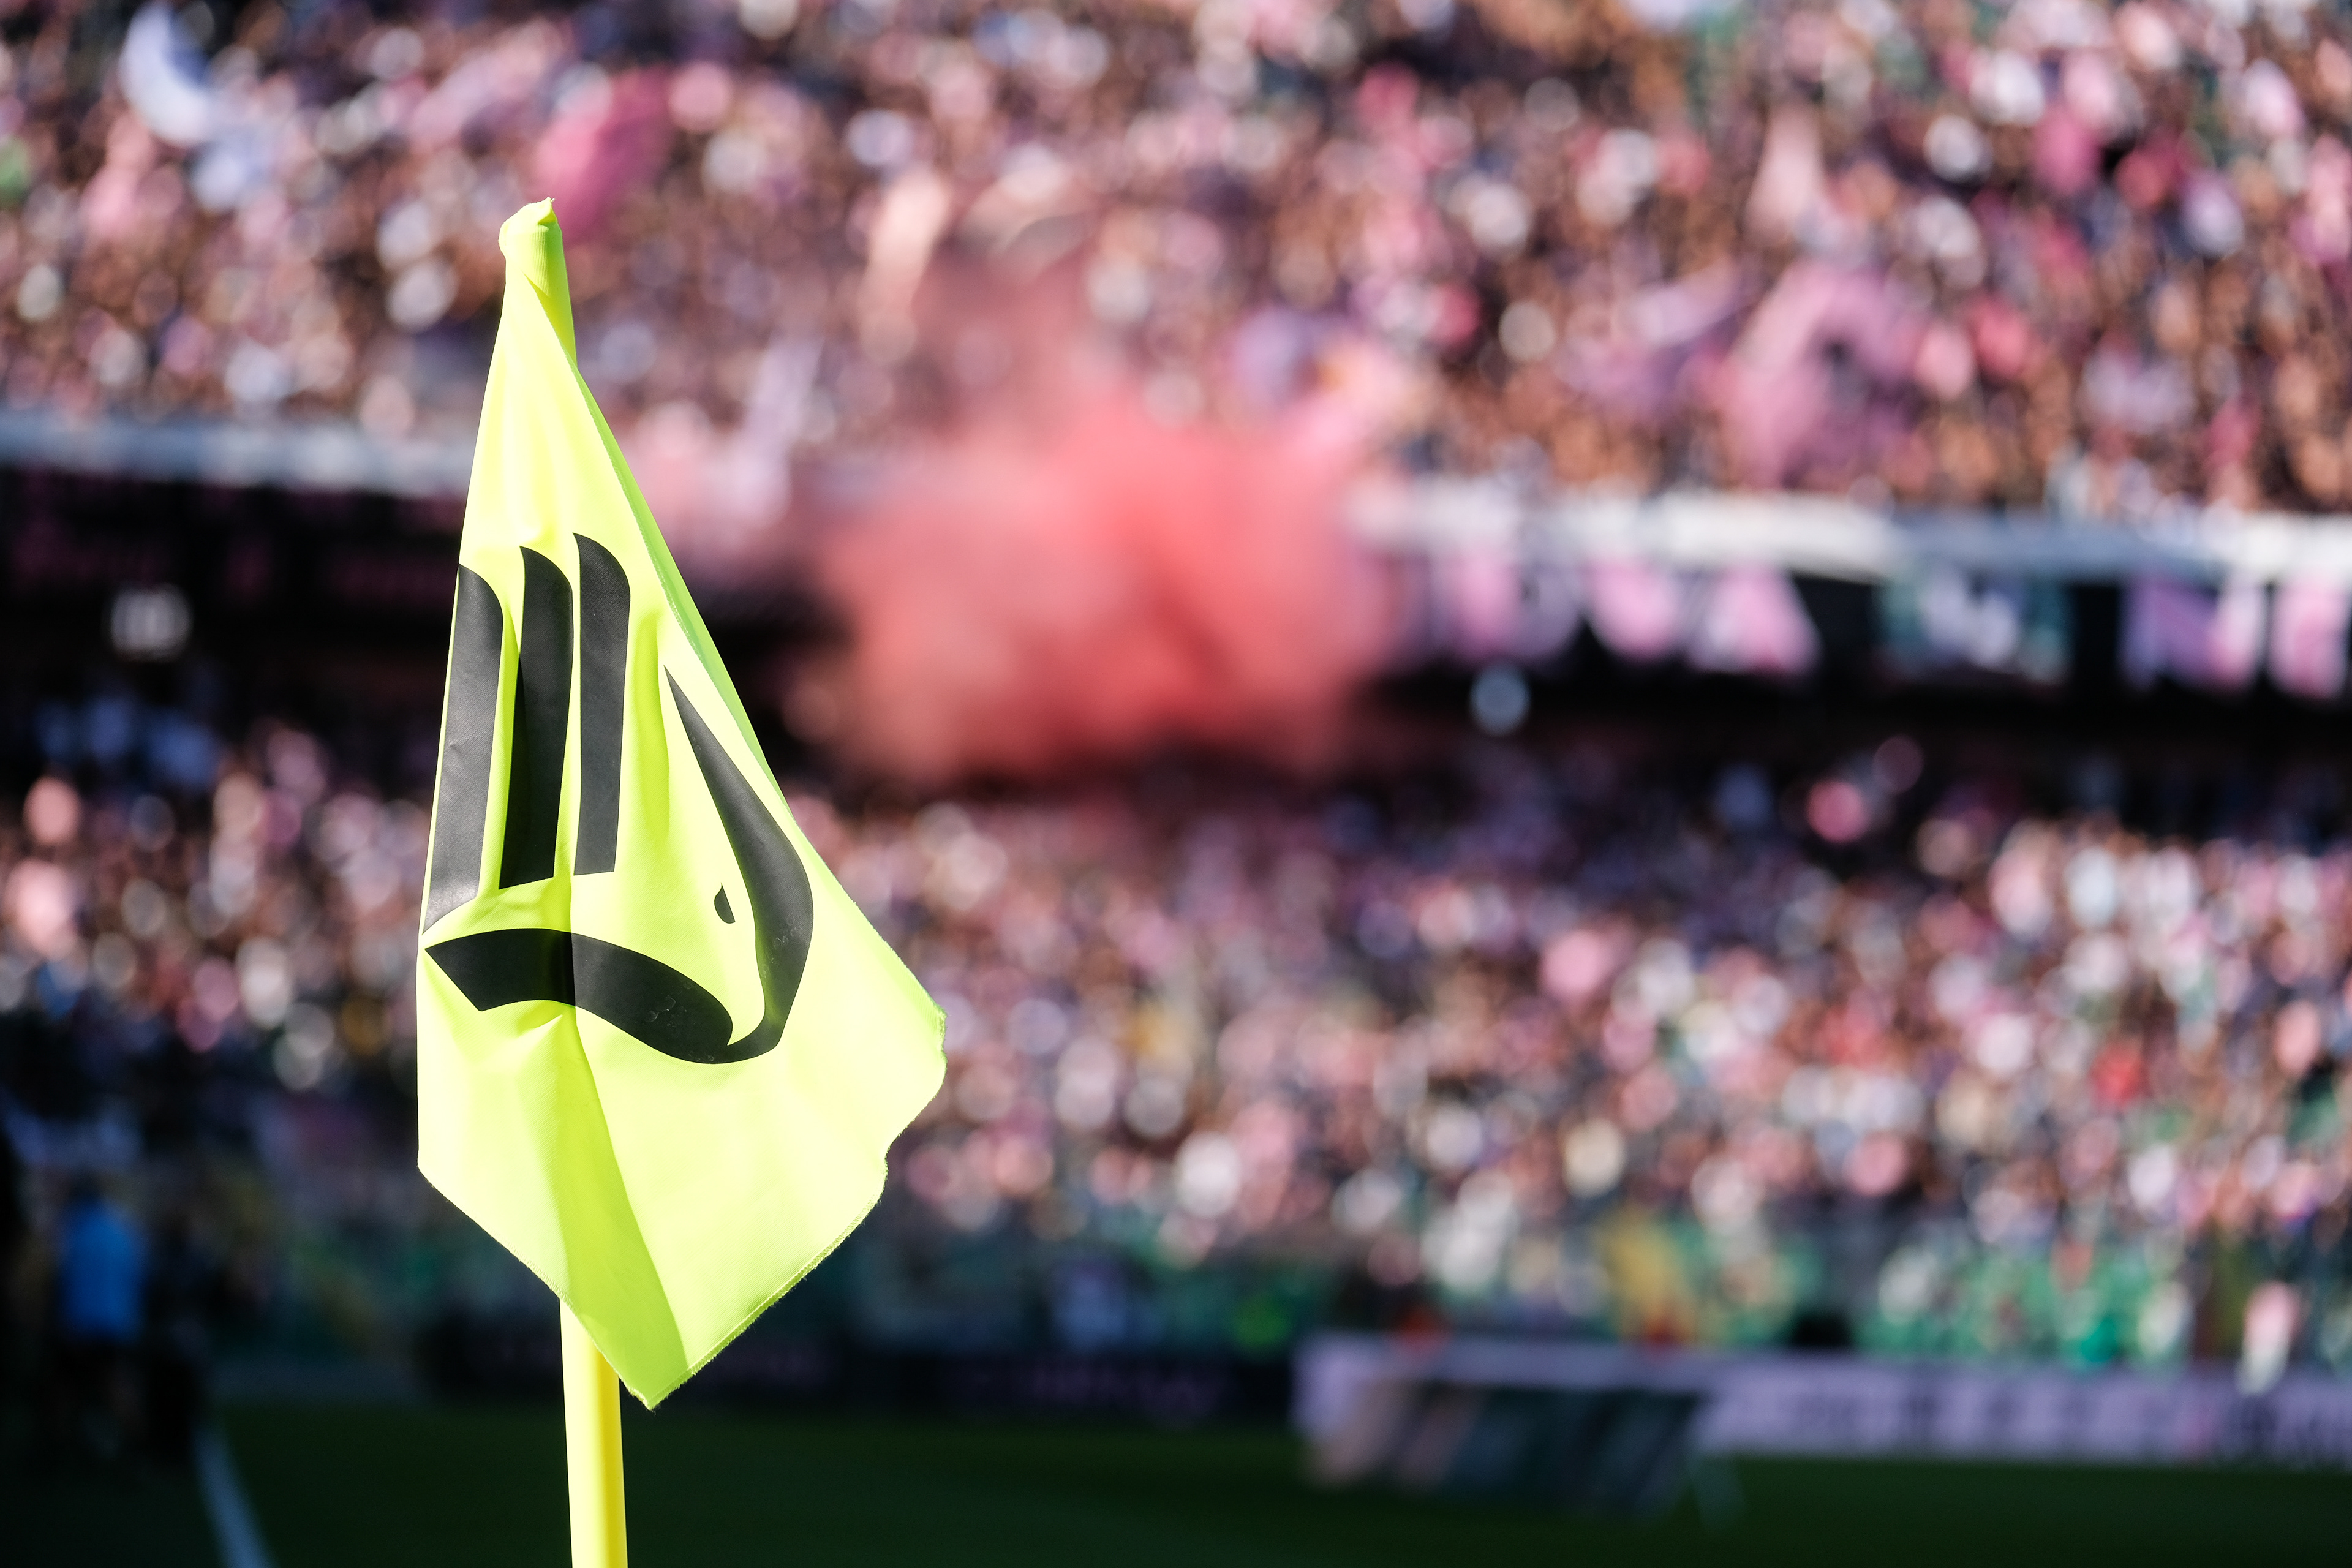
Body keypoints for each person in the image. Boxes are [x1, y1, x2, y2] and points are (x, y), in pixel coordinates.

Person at [39, 1175, 146, 1467]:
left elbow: (56, 1276)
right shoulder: (122, 1231)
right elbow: (137, 1278)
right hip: (117, 1323)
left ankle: (53, 1452)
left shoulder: (72, 1230)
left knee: (63, 1388)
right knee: (117, 1386)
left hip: (78, 1323)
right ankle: (135, 1451)